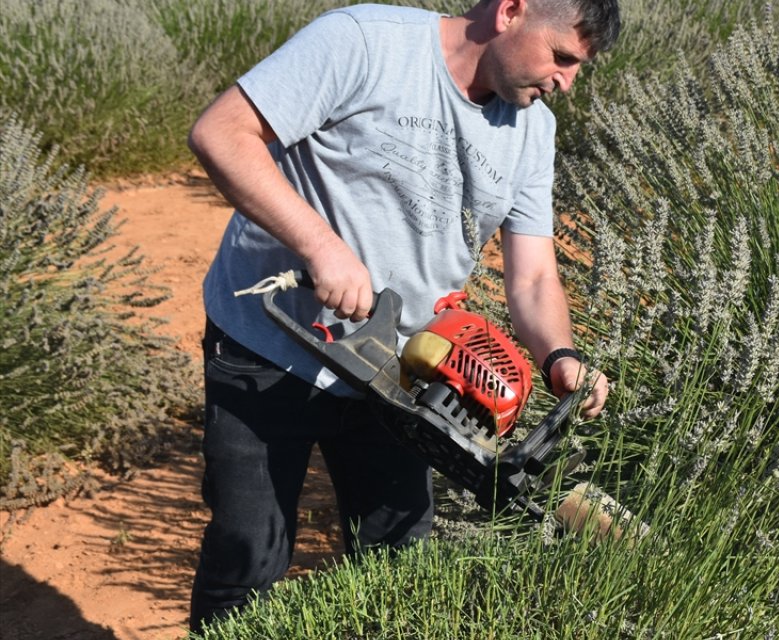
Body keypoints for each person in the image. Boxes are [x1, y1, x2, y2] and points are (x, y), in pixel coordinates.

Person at [185, 0, 619, 631]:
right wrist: (322, 246)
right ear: (512, 11)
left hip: (397, 375)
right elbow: (221, 133)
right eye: (561, 58)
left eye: (578, 68)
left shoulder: (533, 131)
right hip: (266, 345)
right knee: (248, 558)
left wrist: (560, 355)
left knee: (396, 565)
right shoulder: (364, 43)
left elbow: (532, 275)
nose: (565, 82)